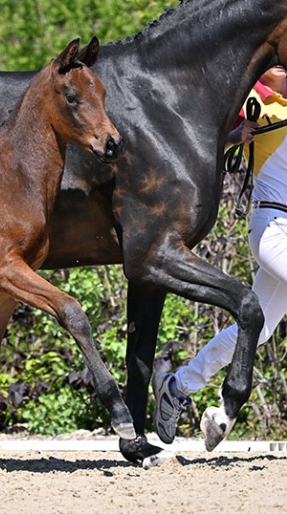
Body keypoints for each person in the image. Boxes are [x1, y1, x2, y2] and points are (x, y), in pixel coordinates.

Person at [153, 65, 287, 445]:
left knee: (259, 333)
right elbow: (200, 138)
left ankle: (179, 386)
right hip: (273, 223)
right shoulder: (251, 98)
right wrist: (234, 136)